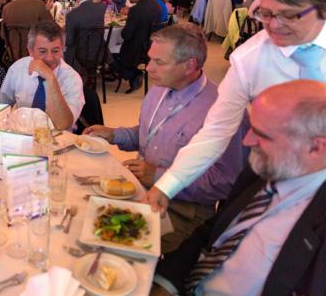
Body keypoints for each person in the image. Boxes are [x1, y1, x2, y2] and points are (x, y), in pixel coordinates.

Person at [146, 0, 326, 215]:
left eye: (289, 15)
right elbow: (217, 130)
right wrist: (167, 185)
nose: (273, 26)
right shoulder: (250, 58)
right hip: (274, 179)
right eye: (265, 13)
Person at [151, 80, 326, 296]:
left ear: (316, 147)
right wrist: (166, 283)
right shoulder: (260, 170)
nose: (246, 141)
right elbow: (212, 231)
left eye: (262, 135)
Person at [86, 24, 247, 253]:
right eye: (150, 59)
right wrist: (114, 134)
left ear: (189, 65)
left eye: (159, 62)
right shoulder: (159, 89)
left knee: (115, 250)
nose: (149, 68)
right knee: (86, 215)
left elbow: (225, 182)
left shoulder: (223, 111)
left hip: (183, 211)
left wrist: (159, 176)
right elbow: (148, 134)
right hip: (142, 190)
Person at [0, 21, 85, 131]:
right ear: (30, 51)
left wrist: (50, 79)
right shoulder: (18, 69)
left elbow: (63, 125)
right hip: (21, 136)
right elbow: (1, 105)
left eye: (55, 51)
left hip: (58, 140)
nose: (49, 58)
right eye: (42, 51)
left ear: (62, 49)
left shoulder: (72, 78)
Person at [112, 0, 163, 91]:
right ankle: (132, 72)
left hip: (137, 50)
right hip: (152, 46)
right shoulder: (156, 6)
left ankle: (133, 74)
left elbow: (126, 35)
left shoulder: (136, 10)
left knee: (106, 52)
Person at [1, 0, 53, 64]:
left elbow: (3, 34)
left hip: (13, 56)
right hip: (35, 55)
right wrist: (47, 10)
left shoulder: (7, 7)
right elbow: (50, 28)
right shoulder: (39, 5)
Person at [64, 0, 107, 71]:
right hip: (99, 51)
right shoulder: (101, 7)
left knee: (63, 48)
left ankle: (74, 76)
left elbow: (69, 41)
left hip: (80, 55)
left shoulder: (72, 15)